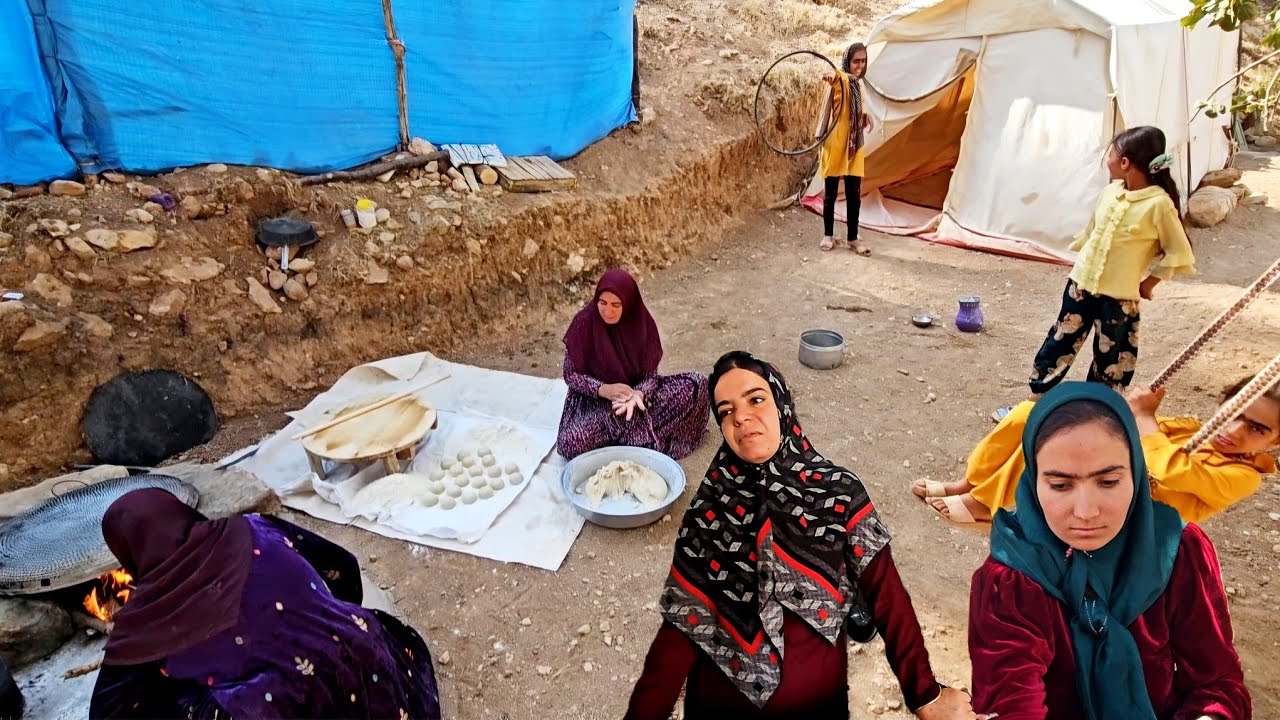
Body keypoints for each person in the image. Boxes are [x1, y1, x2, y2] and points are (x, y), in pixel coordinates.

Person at [626, 351, 973, 719]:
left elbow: (888, 600)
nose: (740, 417)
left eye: (755, 399)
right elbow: (680, 632)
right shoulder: (709, 512)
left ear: (781, 405)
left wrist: (925, 695)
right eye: (726, 411)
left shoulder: (839, 495)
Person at [968, 382, 1250, 719]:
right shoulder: (1010, 580)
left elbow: (1217, 683)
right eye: (1060, 485)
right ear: (1033, 481)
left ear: (1137, 473)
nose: (1086, 511)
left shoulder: (1176, 551)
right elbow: (1009, 703)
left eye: (1108, 482)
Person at [89, 489, 441, 720]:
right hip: (368, 663)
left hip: (276, 709)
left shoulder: (146, 624)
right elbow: (342, 566)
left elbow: (109, 710)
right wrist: (319, 615)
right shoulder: (255, 527)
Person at [915, 375, 1279, 526]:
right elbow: (1133, 428)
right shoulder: (1195, 430)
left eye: (1256, 429)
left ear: (1275, 441)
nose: (1234, 431)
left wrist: (1144, 418)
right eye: (1234, 413)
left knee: (1057, 442)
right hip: (1115, 473)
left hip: (1127, 515)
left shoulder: (1242, 477)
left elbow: (1173, 469)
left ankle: (985, 504)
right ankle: (971, 483)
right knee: (1031, 413)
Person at [1022, 126, 1195, 404]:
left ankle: (1097, 410)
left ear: (1124, 162)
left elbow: (1179, 251)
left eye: (1110, 154)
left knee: (1112, 356)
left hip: (1119, 299)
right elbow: (1092, 233)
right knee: (1060, 340)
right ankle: (1036, 400)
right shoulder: (1109, 192)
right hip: (1080, 286)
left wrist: (1149, 283)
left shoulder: (1159, 205)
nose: (1107, 160)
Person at [557, 268, 709, 460]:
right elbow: (571, 374)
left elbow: (650, 376)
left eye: (616, 304)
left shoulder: (642, 325)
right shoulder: (584, 323)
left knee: (697, 384)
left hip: (636, 399)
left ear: (628, 303)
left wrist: (638, 394)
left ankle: (625, 437)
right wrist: (603, 389)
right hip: (596, 403)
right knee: (570, 443)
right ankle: (639, 438)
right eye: (602, 303)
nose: (608, 311)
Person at [817, 42, 872, 255]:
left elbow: (857, 109)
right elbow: (834, 77)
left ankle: (852, 238)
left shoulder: (859, 85)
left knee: (853, 194)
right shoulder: (841, 80)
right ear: (847, 62)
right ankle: (828, 235)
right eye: (856, 61)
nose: (860, 65)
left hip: (854, 144)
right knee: (830, 192)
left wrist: (865, 117)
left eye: (863, 61)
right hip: (836, 142)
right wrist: (831, 76)